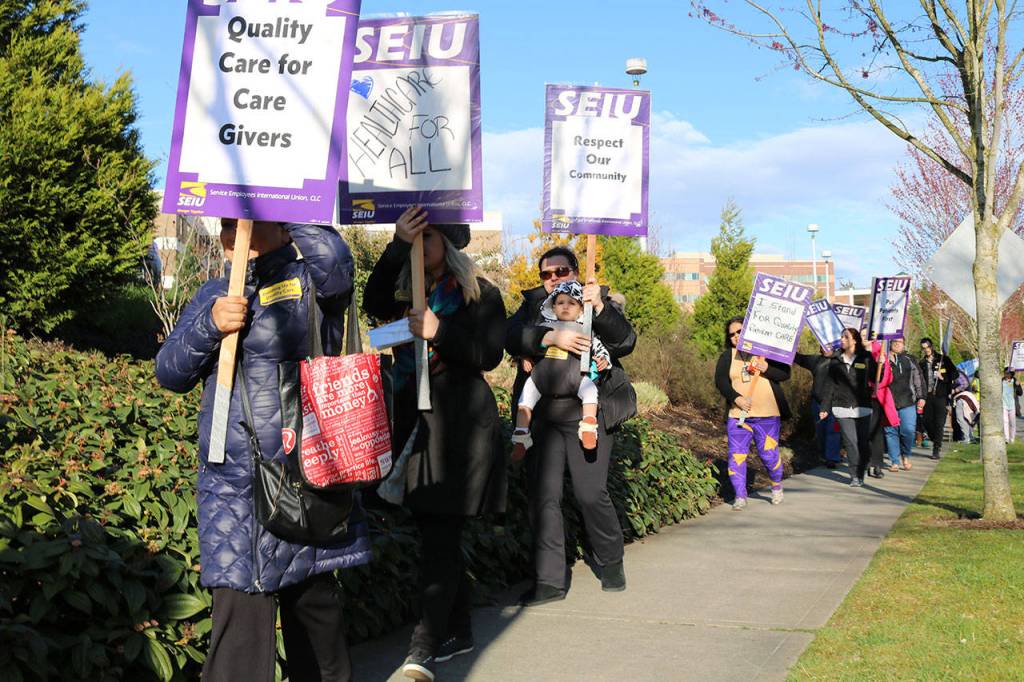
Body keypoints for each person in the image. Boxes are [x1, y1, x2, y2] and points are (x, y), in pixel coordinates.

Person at [155, 219, 370, 682]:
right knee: (238, 623)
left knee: (313, 613)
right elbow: (169, 372)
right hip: (233, 486)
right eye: (229, 224)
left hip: (302, 474)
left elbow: (337, 268)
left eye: (252, 221)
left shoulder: (308, 282)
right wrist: (210, 326)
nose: (238, 233)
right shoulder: (213, 294)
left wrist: (288, 203)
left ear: (285, 230)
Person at [362, 207, 507, 682]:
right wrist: (397, 243)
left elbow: (488, 353)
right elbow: (372, 300)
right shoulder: (406, 292)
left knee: (441, 536)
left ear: (447, 242)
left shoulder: (479, 293)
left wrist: (438, 331)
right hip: (417, 430)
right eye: (416, 238)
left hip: (461, 432)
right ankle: (458, 630)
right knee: (436, 535)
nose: (421, 245)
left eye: (428, 237)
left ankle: (422, 648)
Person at [505, 246, 636, 606]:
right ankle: (548, 581)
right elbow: (508, 337)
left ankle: (610, 561)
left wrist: (600, 308)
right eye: (546, 274)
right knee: (544, 496)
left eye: (561, 271)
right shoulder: (535, 305)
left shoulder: (598, 299)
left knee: (590, 492)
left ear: (576, 271)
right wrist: (547, 337)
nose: (553, 279)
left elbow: (625, 342)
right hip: (544, 413)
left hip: (588, 410)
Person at [511, 281, 611, 457]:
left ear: (581, 309)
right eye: (560, 302)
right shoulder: (543, 328)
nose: (565, 306)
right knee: (525, 400)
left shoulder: (585, 330)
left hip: (575, 378)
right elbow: (530, 344)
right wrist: (524, 356)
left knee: (590, 392)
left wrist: (603, 359)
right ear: (553, 307)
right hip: (540, 378)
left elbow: (598, 347)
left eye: (571, 303)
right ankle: (521, 435)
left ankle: (588, 426)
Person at [714, 317, 791, 510]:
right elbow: (721, 381)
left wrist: (767, 368)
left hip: (767, 415)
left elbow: (785, 373)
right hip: (738, 416)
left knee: (769, 455)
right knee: (737, 456)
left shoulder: (765, 352)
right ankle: (740, 496)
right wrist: (736, 398)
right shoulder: (728, 356)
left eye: (739, 331)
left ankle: (776, 485)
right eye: (731, 334)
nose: (735, 336)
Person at [820, 328, 875, 487]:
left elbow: (875, 377)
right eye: (841, 337)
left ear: (855, 340)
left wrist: (880, 364)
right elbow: (830, 385)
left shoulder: (866, 357)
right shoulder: (836, 360)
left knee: (863, 441)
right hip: (841, 406)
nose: (842, 340)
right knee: (850, 441)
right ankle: (855, 475)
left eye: (846, 337)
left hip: (862, 406)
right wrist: (824, 407)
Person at [794, 348, 841, 468]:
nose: (825, 348)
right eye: (823, 345)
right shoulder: (816, 360)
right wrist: (789, 347)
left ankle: (832, 458)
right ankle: (824, 455)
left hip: (835, 402)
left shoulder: (842, 360)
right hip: (818, 402)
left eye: (828, 345)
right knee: (821, 429)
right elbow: (799, 358)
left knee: (833, 430)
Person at [884, 338, 926, 471]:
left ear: (904, 344)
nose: (897, 343)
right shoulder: (883, 359)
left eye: (900, 342)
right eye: (895, 341)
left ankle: (906, 455)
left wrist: (921, 396)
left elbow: (918, 378)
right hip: (889, 402)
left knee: (908, 430)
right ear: (890, 343)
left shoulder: (909, 359)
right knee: (890, 432)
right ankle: (894, 461)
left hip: (907, 401)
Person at [918, 337, 957, 459]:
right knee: (927, 422)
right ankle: (936, 439)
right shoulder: (922, 363)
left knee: (939, 423)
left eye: (928, 347)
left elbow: (955, 374)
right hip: (927, 396)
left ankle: (936, 448)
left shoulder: (943, 359)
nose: (926, 350)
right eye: (923, 348)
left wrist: (943, 377)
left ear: (932, 346)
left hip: (941, 396)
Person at [1003, 368, 1019, 443]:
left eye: (1008, 373)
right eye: (1005, 373)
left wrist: (1018, 385)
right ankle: (1006, 438)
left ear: (1011, 374)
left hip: (1012, 405)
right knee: (1005, 421)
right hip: (1004, 404)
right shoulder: (1001, 381)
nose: (1006, 374)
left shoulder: (1014, 381)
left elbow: (1020, 393)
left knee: (1012, 423)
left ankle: (1012, 439)